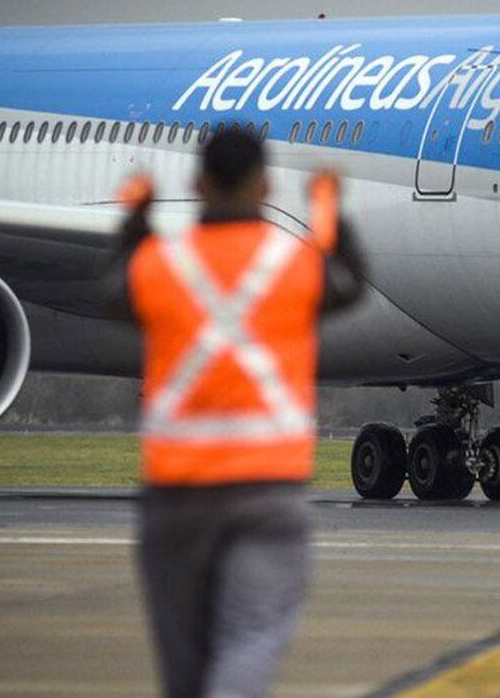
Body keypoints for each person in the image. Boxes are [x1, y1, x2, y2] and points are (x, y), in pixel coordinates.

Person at [111, 126, 365, 697]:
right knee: (249, 639)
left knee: (184, 666)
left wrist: (134, 219)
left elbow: (114, 290)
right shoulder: (292, 262)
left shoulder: (160, 261)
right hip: (267, 493)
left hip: (176, 498)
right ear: (267, 186)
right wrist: (329, 209)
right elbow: (348, 282)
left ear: (197, 184)